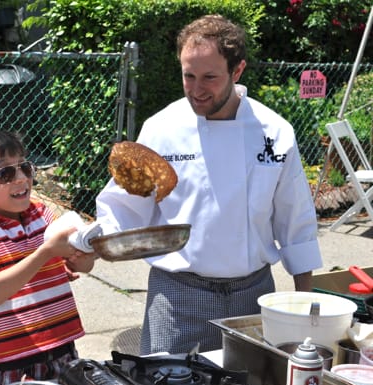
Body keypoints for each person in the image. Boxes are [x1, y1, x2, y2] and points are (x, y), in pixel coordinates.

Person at [95, 14, 322, 355]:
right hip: (177, 297)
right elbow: (125, 207)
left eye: (210, 77)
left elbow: (296, 221)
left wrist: (307, 310)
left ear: (237, 71)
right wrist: (90, 244)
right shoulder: (161, 129)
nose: (197, 90)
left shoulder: (274, 132)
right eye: (189, 76)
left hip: (253, 296)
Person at [0, 130, 95, 385]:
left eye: (24, 167)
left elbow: (83, 266)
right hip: (13, 355)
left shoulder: (41, 213)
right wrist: (46, 253)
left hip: (61, 343)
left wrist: (84, 251)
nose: (20, 178)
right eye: (5, 173)